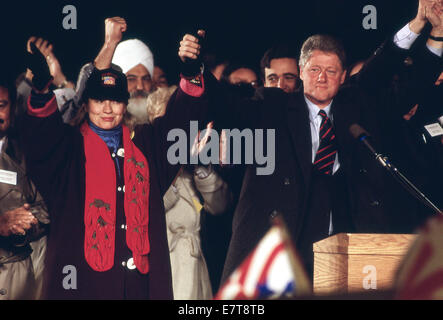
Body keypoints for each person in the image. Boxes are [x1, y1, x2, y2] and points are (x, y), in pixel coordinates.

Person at [178, 0, 443, 283]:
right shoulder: (272, 105)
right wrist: (195, 68)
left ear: (343, 77)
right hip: (273, 253)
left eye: (331, 71)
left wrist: (429, 30)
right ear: (301, 71)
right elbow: (224, 104)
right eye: (315, 69)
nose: (321, 78)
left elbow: (386, 73)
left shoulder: (355, 108)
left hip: (337, 257)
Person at [20, 21, 209, 299]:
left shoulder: (146, 144)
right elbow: (39, 137)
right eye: (99, 100)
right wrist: (39, 88)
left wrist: (191, 71)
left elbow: (181, 121)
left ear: (125, 103)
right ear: (87, 103)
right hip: (81, 289)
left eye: (116, 101)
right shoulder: (69, 149)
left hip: (140, 289)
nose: (107, 109)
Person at [145, 87, 232, 299]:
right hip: (162, 264)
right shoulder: (143, 162)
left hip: (194, 265)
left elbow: (220, 206)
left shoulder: (194, 164)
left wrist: (201, 168)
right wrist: (172, 171)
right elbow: (148, 208)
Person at [0, 73, 49, 300]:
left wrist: (26, 224)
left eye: (2, 105)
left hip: (19, 281)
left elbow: (46, 207)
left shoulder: (26, 153)